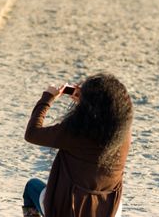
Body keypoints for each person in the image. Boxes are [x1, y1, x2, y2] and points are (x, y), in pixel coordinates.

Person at [23, 73, 133, 217]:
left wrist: (47, 98)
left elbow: (32, 133)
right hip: (107, 211)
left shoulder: (74, 132)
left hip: (67, 210)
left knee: (32, 187)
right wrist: (85, 101)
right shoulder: (123, 136)